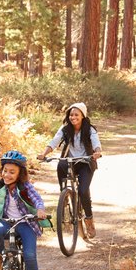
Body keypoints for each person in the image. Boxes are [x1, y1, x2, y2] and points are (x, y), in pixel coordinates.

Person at [39, 102, 103, 238]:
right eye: (71, 115)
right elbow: (54, 141)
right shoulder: (65, 129)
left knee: (83, 191)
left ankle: (89, 220)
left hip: (85, 162)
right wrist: (44, 154)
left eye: (76, 115)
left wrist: (97, 152)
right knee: (60, 164)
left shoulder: (89, 129)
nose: (73, 117)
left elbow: (96, 143)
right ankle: (65, 194)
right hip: (70, 161)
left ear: (83, 116)